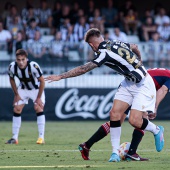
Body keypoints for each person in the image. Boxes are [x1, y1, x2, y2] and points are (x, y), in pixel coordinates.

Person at [45, 28, 164, 162]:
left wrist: (61, 76)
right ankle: (114, 153)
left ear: (91, 45)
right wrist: (139, 63)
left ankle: (156, 130)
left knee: (134, 121)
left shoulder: (103, 53)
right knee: (114, 114)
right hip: (128, 82)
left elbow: (84, 69)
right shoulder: (115, 43)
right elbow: (135, 47)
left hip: (143, 84)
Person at [78, 67, 170, 161]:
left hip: (129, 85)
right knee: (142, 118)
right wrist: (155, 107)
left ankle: (87, 145)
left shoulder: (163, 72)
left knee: (116, 122)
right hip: (141, 89)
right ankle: (132, 152)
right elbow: (162, 90)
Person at [6, 49, 45, 144]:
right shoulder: (12, 67)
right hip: (23, 89)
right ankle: (14, 138)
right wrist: (16, 94)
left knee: (38, 107)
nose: (21, 62)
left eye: (23, 59)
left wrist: (39, 98)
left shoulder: (33, 66)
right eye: (18, 60)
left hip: (36, 89)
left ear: (26, 59)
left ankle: (41, 137)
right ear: (16, 59)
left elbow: (42, 81)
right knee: (17, 108)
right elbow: (11, 79)